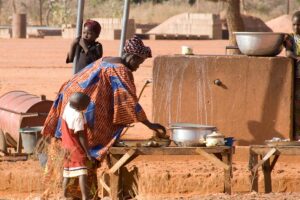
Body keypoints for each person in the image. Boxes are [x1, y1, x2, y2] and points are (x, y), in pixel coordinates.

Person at [43, 35, 166, 197]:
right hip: (83, 110)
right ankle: (85, 194)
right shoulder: (121, 70)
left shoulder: (107, 60)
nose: (137, 67)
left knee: (69, 153)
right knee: (87, 151)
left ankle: (71, 193)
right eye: (138, 62)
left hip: (69, 105)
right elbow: (128, 102)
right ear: (131, 57)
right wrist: (150, 125)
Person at [61, 92, 91, 199]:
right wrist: (87, 153)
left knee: (67, 173)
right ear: (79, 107)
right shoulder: (78, 116)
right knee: (82, 173)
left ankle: (63, 196)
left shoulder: (68, 107)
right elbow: (81, 137)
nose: (87, 106)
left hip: (66, 145)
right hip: (75, 147)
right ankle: (85, 197)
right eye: (86, 105)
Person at [284, 11, 300, 139]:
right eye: (294, 25)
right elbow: (288, 53)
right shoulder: (290, 38)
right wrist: (297, 57)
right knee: (296, 107)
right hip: (296, 78)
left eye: (299, 25)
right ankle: (297, 135)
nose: (296, 27)